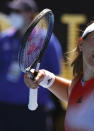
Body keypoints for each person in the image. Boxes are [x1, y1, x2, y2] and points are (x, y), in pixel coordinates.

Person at [0, 0, 62, 131]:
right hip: (5, 107)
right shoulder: (4, 37)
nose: (13, 15)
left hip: (35, 109)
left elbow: (55, 72)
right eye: (12, 12)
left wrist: (38, 80)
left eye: (18, 12)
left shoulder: (47, 40)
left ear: (31, 14)